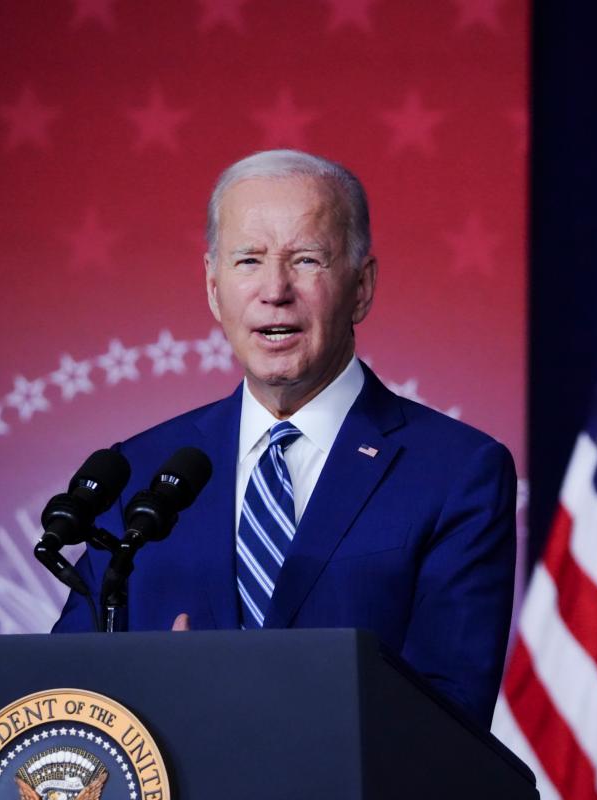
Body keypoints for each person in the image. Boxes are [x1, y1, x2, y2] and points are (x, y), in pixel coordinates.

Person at [53, 149, 517, 728]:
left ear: (362, 287)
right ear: (213, 287)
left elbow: (448, 719)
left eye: (306, 260)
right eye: (248, 260)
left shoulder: (457, 473)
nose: (275, 289)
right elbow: (67, 704)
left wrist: (225, 705)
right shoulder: (139, 473)